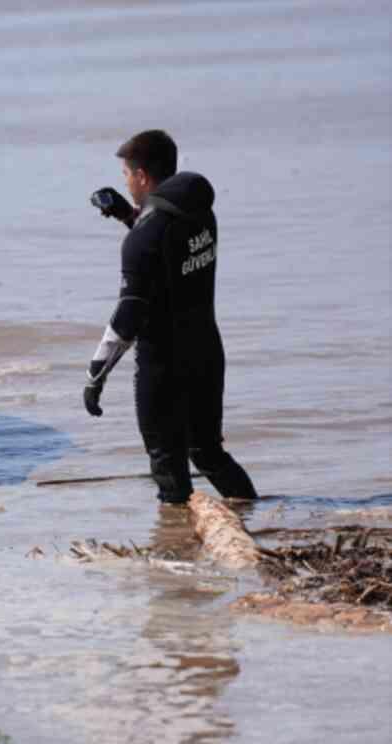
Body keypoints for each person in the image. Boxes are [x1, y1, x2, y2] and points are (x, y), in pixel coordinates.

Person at [85, 129, 257, 504]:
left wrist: (94, 375)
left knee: (167, 468)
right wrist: (128, 214)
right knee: (208, 453)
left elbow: (129, 316)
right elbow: (167, 251)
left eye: (127, 175)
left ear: (143, 176)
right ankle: (254, 518)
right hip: (206, 354)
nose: (126, 182)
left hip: (164, 366)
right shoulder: (199, 213)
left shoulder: (143, 239)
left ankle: (175, 556)